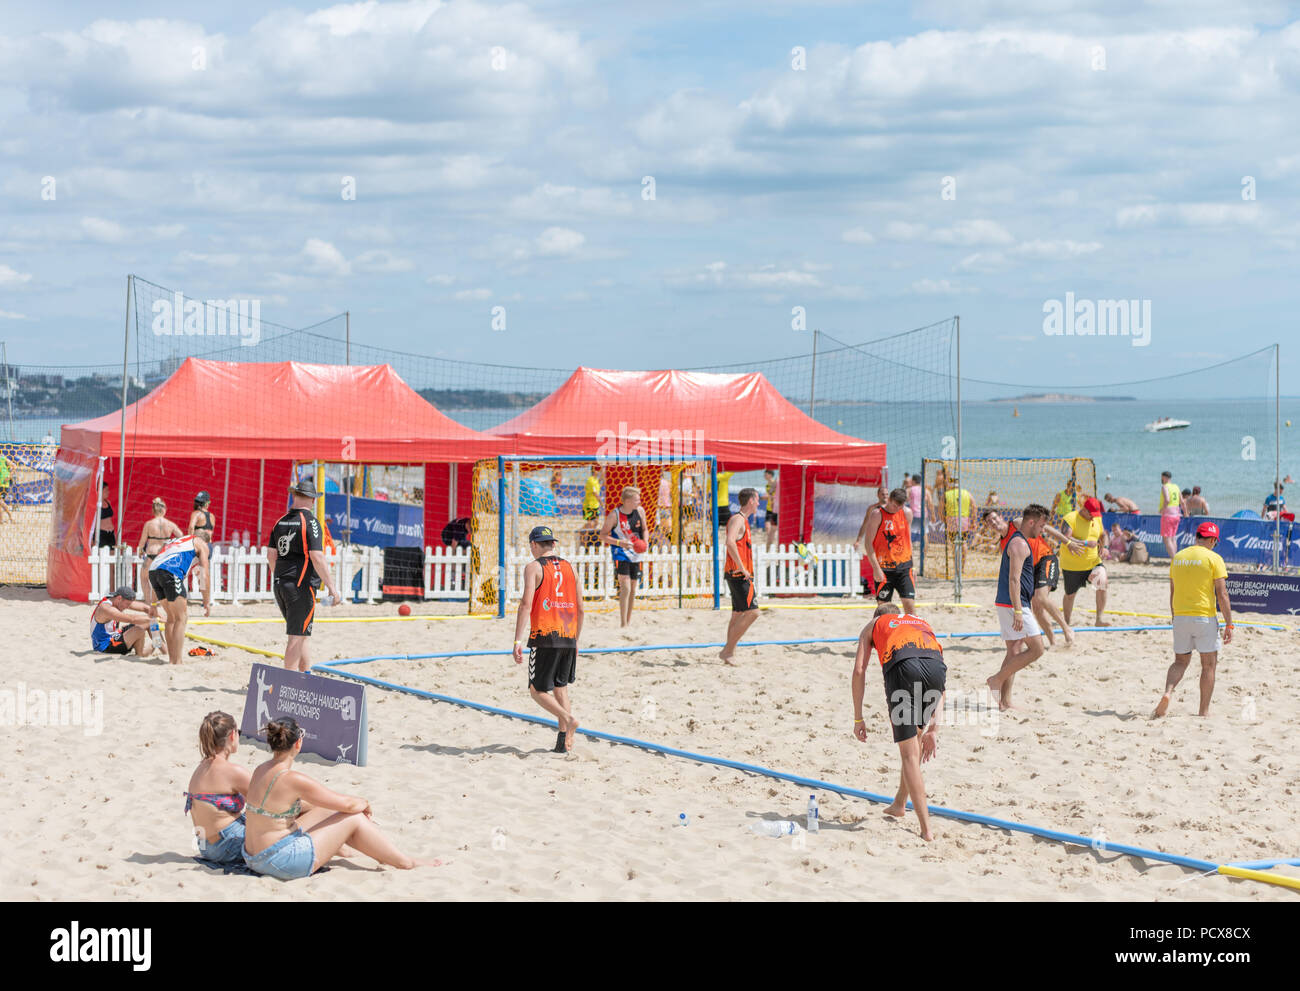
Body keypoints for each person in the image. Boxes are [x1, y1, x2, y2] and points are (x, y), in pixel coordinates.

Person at [242, 717, 439, 880]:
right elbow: (348, 804)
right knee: (352, 816)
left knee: (328, 810)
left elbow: (284, 805)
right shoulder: (293, 779)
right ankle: (405, 862)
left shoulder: (261, 769)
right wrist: (365, 803)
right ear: (298, 743)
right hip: (279, 861)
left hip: (252, 856)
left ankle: (346, 849)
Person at [851, 603, 946, 841]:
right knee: (915, 739)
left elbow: (859, 670)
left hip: (903, 668)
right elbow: (942, 681)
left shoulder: (874, 624)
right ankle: (899, 803)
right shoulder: (920, 622)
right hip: (935, 669)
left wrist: (858, 717)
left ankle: (926, 830)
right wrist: (934, 727)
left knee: (909, 755)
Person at [513, 525, 584, 752]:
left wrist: (517, 640)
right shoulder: (570, 568)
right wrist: (576, 640)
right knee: (560, 688)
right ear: (553, 544)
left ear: (534, 545)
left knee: (537, 690)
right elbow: (581, 608)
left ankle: (568, 719)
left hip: (545, 636)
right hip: (569, 635)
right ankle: (562, 743)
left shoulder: (533, 567)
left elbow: (525, 605)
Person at [1154, 522, 1233, 718]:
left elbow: (1172, 592)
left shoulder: (1178, 557)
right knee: (1208, 665)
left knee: (1180, 661)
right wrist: (1229, 623)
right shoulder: (1214, 558)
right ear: (1213, 540)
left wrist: (1174, 616)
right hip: (1204, 617)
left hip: (1180, 615)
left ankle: (1168, 692)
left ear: (1197, 536)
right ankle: (1203, 711)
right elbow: (1222, 594)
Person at [267, 478, 342, 672]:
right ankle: (289, 683)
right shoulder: (311, 522)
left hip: (281, 584)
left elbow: (271, 556)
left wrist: (280, 577)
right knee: (296, 636)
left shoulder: (280, 522)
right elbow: (317, 556)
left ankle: (304, 676)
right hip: (301, 585)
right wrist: (332, 587)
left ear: (294, 496)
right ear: (312, 500)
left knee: (302, 633)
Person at [985, 503, 1050, 710]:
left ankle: (1005, 701)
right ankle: (996, 679)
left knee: (1014, 651)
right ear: (1031, 522)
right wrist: (1019, 611)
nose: (1042, 530)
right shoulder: (1019, 544)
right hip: (1012, 604)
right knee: (1037, 648)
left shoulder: (1020, 541)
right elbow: (1014, 580)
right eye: (1041, 526)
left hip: (1011, 602)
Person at [986, 512, 1081, 649]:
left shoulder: (1017, 523)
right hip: (1031, 570)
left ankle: (1067, 629)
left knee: (1040, 597)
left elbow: (1045, 527)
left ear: (1001, 517)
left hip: (1045, 558)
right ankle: (1053, 641)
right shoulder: (1002, 544)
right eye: (989, 521)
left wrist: (1068, 542)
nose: (993, 522)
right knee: (1036, 606)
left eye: (994, 518)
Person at [186, 712, 251, 865]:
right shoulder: (232, 771)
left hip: (204, 846)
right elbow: (269, 802)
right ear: (232, 736)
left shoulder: (200, 769)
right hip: (227, 846)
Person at [148, 533, 211, 663]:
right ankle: (177, 661)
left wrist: (153, 604)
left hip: (153, 571)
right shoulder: (201, 544)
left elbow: (159, 568)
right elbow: (204, 575)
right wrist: (206, 602)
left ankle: (172, 660)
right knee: (181, 618)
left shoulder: (175, 541)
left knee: (171, 618)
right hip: (171, 571)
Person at [854, 486, 916, 615]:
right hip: (884, 568)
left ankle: (912, 633)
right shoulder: (877, 514)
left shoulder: (907, 513)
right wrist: (876, 568)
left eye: (899, 507)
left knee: (909, 604)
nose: (896, 509)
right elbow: (868, 543)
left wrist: (913, 566)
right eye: (894, 506)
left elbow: (907, 540)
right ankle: (883, 633)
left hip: (904, 566)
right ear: (889, 499)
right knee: (884, 609)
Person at [719, 488, 761, 665]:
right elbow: (729, 542)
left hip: (735, 572)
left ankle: (729, 653)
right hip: (738, 573)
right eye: (757, 500)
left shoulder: (742, 520)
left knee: (737, 614)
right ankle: (727, 650)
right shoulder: (738, 519)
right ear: (751, 501)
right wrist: (743, 568)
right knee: (753, 612)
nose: (759, 503)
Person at [599, 485, 648, 628]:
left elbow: (644, 529)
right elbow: (602, 535)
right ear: (627, 501)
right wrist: (620, 542)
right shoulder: (614, 515)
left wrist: (645, 541)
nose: (639, 502)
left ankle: (628, 620)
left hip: (636, 553)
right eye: (636, 500)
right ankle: (623, 623)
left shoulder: (640, 511)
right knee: (625, 587)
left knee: (633, 588)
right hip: (621, 553)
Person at [1059, 496, 1110, 628]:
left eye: (1095, 515)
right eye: (1091, 514)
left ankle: (1099, 619)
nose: (1093, 517)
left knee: (1102, 583)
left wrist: (1105, 547)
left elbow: (1103, 534)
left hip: (1093, 562)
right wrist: (1086, 543)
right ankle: (1067, 622)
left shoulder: (1097, 518)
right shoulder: (1071, 518)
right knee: (1070, 595)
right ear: (1085, 510)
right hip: (1072, 565)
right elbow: (1065, 537)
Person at [136, 497, 183, 608]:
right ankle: (159, 601)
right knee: (162, 579)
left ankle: (148, 601)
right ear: (164, 510)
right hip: (164, 554)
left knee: (144, 578)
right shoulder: (170, 524)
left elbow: (142, 542)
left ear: (153, 510)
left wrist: (140, 550)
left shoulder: (149, 524)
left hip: (152, 554)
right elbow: (181, 536)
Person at [91, 584, 160, 658]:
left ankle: (160, 646)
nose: (128, 607)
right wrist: (157, 619)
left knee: (150, 622)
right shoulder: (106, 608)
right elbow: (131, 618)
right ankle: (141, 654)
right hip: (104, 646)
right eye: (127, 604)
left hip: (114, 636)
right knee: (139, 629)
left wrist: (160, 616)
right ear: (119, 598)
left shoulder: (116, 601)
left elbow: (145, 608)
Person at [1158, 471, 1182, 558]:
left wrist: (1162, 509)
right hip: (1176, 514)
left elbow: (1167, 499)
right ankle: (1175, 557)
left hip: (1168, 515)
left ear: (1164, 477)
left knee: (1167, 539)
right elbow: (1181, 501)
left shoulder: (1165, 487)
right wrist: (1185, 512)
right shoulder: (1176, 487)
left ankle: (1174, 559)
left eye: (1161, 477)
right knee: (1172, 538)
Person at [764, 468, 780, 550]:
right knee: (771, 529)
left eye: (766, 474)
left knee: (773, 529)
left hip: (776, 508)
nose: (764, 476)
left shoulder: (776, 480)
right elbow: (770, 492)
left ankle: (770, 547)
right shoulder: (774, 481)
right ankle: (768, 548)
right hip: (773, 508)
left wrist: (771, 497)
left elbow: (770, 492)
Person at [0, 451, 14, 525]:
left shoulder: (3, 459)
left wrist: (9, 476)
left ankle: (10, 516)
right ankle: (2, 520)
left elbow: (14, 466)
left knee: (0, 502)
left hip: (3, 484)